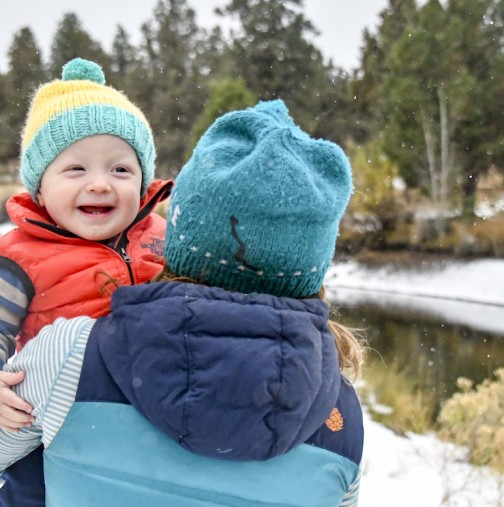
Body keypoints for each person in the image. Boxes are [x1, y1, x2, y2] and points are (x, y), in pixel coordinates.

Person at [0, 99, 363, 506]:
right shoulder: (340, 419)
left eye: (120, 169)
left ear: (176, 237)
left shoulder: (68, 356)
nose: (99, 184)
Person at [0, 58, 172, 505]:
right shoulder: (19, 256)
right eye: (76, 169)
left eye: (120, 170)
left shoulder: (162, 239)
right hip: (55, 426)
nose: (100, 184)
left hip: (152, 420)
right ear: (40, 189)